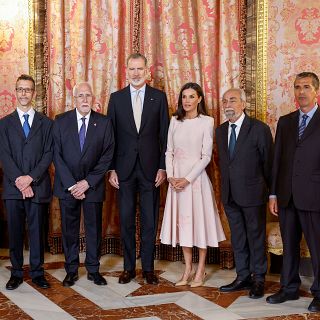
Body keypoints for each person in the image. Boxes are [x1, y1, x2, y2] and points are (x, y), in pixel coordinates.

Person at [108, 53, 169, 285]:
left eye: (139, 69)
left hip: (151, 170)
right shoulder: (116, 99)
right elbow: (110, 138)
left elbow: (165, 136)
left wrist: (163, 167)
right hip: (123, 171)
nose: (135, 73)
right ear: (126, 71)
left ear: (147, 71)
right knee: (126, 220)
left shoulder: (159, 98)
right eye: (132, 69)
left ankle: (149, 269)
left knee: (149, 220)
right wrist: (111, 169)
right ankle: (128, 268)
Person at [160, 82, 225, 287]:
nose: (186, 100)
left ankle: (200, 270)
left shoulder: (207, 121)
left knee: (199, 224)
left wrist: (187, 179)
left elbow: (206, 156)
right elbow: (168, 151)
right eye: (184, 97)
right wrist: (171, 177)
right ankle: (187, 269)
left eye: (191, 96)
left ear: (199, 99)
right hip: (175, 181)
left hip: (195, 182)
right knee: (183, 226)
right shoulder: (174, 121)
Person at [267, 72, 320, 312]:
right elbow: (277, 160)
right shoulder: (286, 122)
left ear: (316, 91)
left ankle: (318, 293)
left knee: (317, 247)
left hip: (314, 196)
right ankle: (288, 288)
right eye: (297, 87)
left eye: (306, 87)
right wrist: (273, 194)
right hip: (287, 196)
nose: (301, 92)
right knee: (289, 245)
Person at [53, 82, 114, 287]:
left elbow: (107, 156)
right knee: (69, 230)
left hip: (93, 187)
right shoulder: (61, 121)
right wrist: (72, 185)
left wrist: (87, 183)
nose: (85, 99)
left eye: (88, 95)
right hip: (67, 187)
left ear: (94, 99)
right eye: (81, 96)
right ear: (74, 98)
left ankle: (93, 270)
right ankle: (71, 270)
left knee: (93, 229)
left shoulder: (104, 123)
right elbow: (56, 155)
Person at [216, 88, 273, 299]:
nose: (227, 105)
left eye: (232, 100)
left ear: (243, 104)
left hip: (253, 194)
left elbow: (269, 165)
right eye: (224, 101)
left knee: (255, 237)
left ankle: (258, 278)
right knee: (238, 238)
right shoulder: (221, 131)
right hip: (230, 194)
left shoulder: (259, 129)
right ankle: (242, 277)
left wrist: (272, 194)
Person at [0, 74, 53, 290]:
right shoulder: (3, 124)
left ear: (34, 93)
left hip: (38, 187)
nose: (24, 93)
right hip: (13, 190)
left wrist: (31, 178)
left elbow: (48, 153)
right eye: (20, 89)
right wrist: (20, 181)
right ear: (16, 92)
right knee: (14, 231)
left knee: (37, 231)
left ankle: (38, 272)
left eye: (28, 90)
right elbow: (4, 154)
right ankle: (16, 272)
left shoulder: (46, 123)